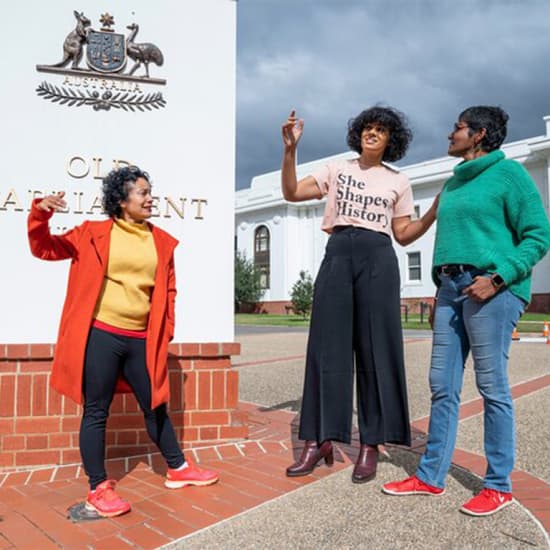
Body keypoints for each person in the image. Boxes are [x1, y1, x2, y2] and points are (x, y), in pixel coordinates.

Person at [382, 106, 550, 516]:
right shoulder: (453, 183)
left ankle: (498, 485)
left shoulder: (509, 175)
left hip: (493, 289)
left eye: (457, 128)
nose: (449, 134)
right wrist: (445, 287)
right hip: (451, 290)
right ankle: (430, 476)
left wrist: (497, 279)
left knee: (492, 387)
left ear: (480, 134)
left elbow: (539, 235)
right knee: (442, 384)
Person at [27, 166, 218, 518]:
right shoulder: (92, 234)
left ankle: (177, 468)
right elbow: (44, 248)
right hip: (101, 335)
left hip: (141, 339)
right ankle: (98, 487)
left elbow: (169, 289)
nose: (150, 198)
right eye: (142, 192)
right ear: (121, 200)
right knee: (97, 410)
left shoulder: (161, 241)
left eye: (150, 191)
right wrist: (41, 212)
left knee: (155, 404)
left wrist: (166, 328)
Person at [281, 106, 439, 482]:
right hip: (338, 253)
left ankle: (370, 443)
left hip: (378, 259)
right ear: (358, 134)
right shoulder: (337, 169)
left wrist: (432, 214)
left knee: (375, 350)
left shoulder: (398, 181)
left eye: (381, 130)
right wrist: (290, 151)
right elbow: (291, 192)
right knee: (326, 350)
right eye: (368, 127)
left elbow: (402, 234)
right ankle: (318, 441)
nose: (372, 133)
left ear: (390, 140)